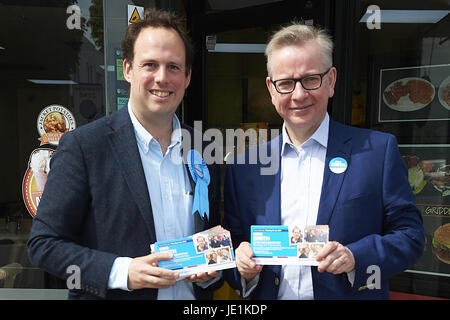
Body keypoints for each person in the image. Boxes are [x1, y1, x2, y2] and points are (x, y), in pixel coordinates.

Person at [27, 9, 222, 300]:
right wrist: (122, 272)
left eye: (173, 67)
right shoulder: (84, 147)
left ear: (188, 76)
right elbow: (43, 245)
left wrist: (212, 272)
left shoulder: (204, 149)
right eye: (150, 65)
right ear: (128, 69)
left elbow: (213, 235)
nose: (162, 77)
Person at [222, 22, 424, 300]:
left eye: (310, 79)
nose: (299, 94)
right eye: (286, 83)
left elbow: (411, 237)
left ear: (331, 80)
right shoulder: (244, 167)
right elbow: (233, 246)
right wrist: (241, 266)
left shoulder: (377, 152)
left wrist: (356, 257)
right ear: (271, 89)